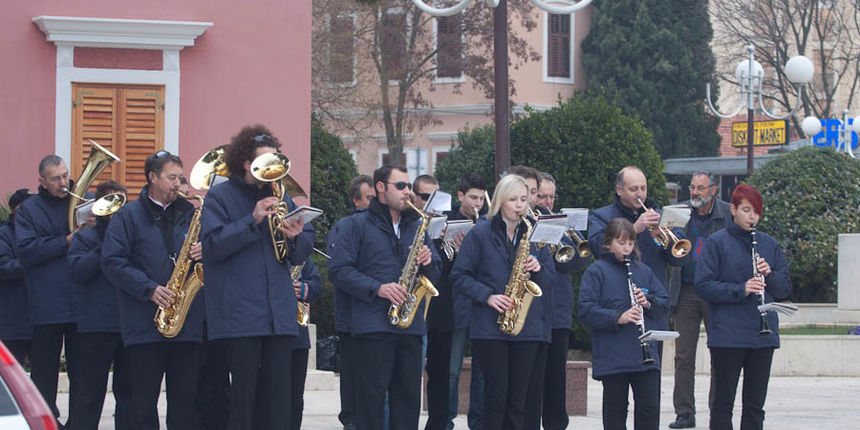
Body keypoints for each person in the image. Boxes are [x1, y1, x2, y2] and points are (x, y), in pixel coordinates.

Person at [200, 126, 313, 430]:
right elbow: (212, 247)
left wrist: (296, 237)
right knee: (244, 400)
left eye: (275, 160)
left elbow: (299, 256)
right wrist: (252, 220)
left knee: (278, 401)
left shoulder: (281, 194)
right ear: (247, 163)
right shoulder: (220, 196)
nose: (272, 168)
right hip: (241, 317)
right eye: (265, 161)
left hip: (280, 316)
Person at [328, 164, 441, 430]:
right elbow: (338, 271)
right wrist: (378, 288)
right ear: (380, 187)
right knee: (370, 405)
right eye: (400, 186)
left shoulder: (417, 224)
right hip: (373, 327)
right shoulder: (356, 225)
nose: (407, 192)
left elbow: (436, 273)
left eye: (408, 186)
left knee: (408, 403)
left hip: (410, 327)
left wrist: (429, 261)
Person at [102, 150, 205, 430]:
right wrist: (149, 289)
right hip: (144, 323)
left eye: (180, 178)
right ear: (153, 178)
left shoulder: (193, 214)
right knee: (142, 405)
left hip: (187, 324)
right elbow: (112, 261)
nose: (178, 183)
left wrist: (207, 250)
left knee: (185, 404)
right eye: (172, 178)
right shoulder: (127, 216)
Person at [450, 173, 554, 430]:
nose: (520, 205)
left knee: (519, 400)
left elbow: (550, 280)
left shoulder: (534, 233)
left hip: (527, 327)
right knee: (496, 397)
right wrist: (488, 296)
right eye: (513, 200)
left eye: (523, 199)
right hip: (490, 327)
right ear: (500, 201)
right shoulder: (480, 233)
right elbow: (459, 275)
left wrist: (538, 268)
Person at [695, 184, 790, 430]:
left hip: (762, 336)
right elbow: (703, 286)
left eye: (756, 212)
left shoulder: (769, 244)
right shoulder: (716, 243)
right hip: (728, 336)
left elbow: (784, 289)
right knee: (723, 403)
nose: (752, 217)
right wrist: (742, 289)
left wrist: (769, 275)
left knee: (755, 405)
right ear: (733, 210)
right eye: (747, 210)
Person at [578, 218, 670, 430]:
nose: (627, 248)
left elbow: (664, 302)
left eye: (630, 243)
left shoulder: (643, 270)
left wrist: (648, 302)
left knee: (649, 408)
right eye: (621, 243)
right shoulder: (597, 271)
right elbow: (586, 309)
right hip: (614, 354)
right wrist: (617, 317)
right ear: (608, 244)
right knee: (616, 410)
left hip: (644, 355)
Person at [15, 155, 81, 427]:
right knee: (44, 373)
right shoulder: (29, 210)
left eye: (65, 175)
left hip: (80, 301)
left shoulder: (83, 200)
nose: (64, 182)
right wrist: (65, 242)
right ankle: (46, 423)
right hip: (47, 303)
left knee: (82, 372)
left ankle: (79, 423)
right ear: (41, 181)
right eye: (56, 179)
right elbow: (26, 251)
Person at [66, 180, 132, 430]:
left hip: (129, 326)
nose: (117, 211)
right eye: (112, 203)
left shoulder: (133, 237)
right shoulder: (85, 238)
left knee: (129, 395)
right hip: (96, 327)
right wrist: (106, 246)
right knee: (88, 396)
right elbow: (78, 272)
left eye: (122, 203)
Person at [668, 172, 731, 429]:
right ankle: (684, 413)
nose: (695, 192)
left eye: (701, 188)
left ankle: (718, 410)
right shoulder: (678, 212)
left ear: (713, 190)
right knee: (683, 356)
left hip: (716, 292)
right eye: (692, 187)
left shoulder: (727, 213)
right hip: (686, 291)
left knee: (720, 354)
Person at [536, 172, 590, 430]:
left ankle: (556, 425)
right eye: (541, 196)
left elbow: (577, 261)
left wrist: (565, 235)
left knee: (557, 376)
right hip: (534, 310)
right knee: (533, 377)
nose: (547, 202)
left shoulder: (563, 224)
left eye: (551, 197)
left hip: (558, 312)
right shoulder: (527, 222)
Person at [329, 174, 374, 430]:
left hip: (376, 316)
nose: (374, 202)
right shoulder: (345, 226)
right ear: (356, 201)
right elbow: (340, 270)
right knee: (352, 377)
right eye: (369, 198)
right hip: (351, 317)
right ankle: (351, 421)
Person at [446, 173, 487, 430]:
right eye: (473, 198)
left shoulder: (486, 225)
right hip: (456, 305)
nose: (477, 204)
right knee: (452, 371)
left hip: (481, 306)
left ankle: (479, 423)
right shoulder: (448, 222)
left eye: (481, 199)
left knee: (482, 373)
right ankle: (447, 421)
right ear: (460, 196)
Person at [289, 259, 323, 430]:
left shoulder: (301, 260)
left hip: (298, 337)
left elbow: (317, 285)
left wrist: (303, 288)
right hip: (269, 334)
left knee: (295, 396)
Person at [0, 189, 32, 366]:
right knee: (11, 370)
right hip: (12, 324)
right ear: (14, 210)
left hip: (38, 321)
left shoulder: (38, 231)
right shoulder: (4, 234)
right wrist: (35, 262)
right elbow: (3, 266)